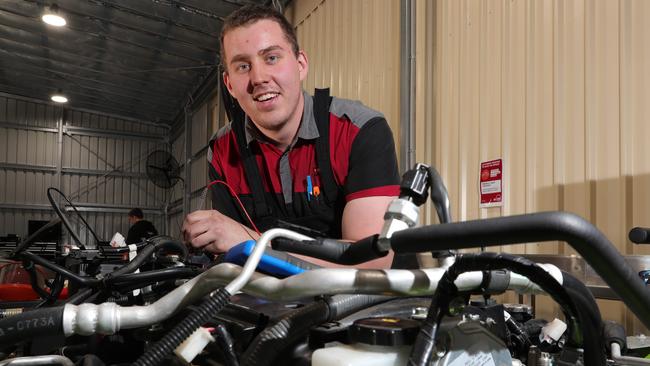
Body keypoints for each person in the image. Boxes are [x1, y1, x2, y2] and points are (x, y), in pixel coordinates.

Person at [182, 4, 400, 268]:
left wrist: (250, 241)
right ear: (229, 85)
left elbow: (373, 260)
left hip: (368, 304)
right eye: (242, 66)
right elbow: (231, 259)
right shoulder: (222, 150)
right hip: (277, 301)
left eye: (271, 58)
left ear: (300, 65)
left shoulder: (358, 131)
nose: (259, 77)